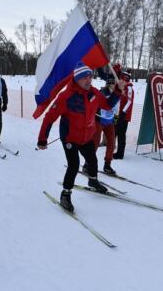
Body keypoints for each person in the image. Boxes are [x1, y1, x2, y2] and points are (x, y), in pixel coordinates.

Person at [37, 62, 124, 212]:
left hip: (87, 136)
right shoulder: (66, 96)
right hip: (70, 137)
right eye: (85, 78)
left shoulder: (94, 93)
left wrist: (117, 91)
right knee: (74, 165)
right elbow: (49, 118)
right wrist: (42, 139)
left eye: (90, 77)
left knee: (92, 160)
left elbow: (108, 105)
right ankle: (65, 194)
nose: (89, 80)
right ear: (77, 78)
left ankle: (93, 181)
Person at [93, 76, 119, 175]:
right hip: (99, 120)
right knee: (95, 143)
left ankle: (107, 165)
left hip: (109, 121)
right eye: (113, 84)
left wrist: (116, 117)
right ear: (109, 84)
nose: (114, 86)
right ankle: (88, 163)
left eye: (115, 84)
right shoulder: (103, 92)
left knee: (111, 144)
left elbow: (116, 107)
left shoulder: (117, 94)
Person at [113, 69, 134, 159]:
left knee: (121, 134)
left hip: (124, 116)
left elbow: (129, 101)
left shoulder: (129, 88)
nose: (121, 81)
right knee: (114, 132)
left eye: (123, 79)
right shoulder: (122, 87)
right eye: (121, 79)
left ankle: (120, 153)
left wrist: (123, 113)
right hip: (117, 114)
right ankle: (113, 149)